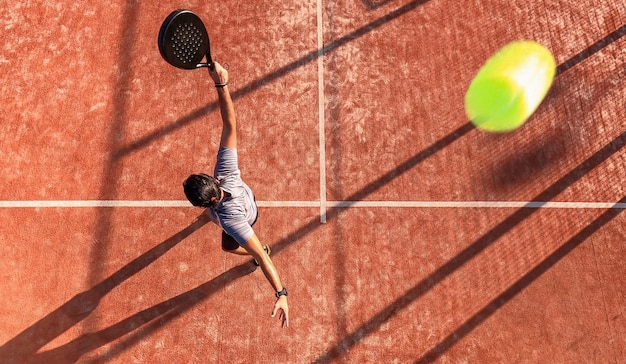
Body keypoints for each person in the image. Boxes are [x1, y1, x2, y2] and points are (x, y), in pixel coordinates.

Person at [182, 62, 289, 328]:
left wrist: (281, 294)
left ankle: (253, 249)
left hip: (245, 218)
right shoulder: (225, 171)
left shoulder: (229, 221)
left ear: (205, 204)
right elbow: (230, 124)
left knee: (229, 247)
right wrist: (221, 84)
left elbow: (265, 261)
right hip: (246, 199)